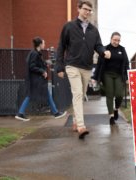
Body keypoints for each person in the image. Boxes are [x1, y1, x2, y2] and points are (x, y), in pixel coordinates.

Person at [56, 0, 109, 139]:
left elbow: (98, 45)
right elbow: (61, 47)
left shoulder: (93, 30)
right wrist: (59, 67)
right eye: (85, 9)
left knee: (81, 95)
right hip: (72, 65)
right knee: (78, 94)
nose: (87, 12)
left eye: (90, 10)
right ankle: (80, 125)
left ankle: (74, 121)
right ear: (78, 9)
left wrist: (104, 52)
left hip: (86, 67)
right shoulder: (69, 27)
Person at [15, 37, 67, 121]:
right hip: (36, 80)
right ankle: (56, 113)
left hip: (35, 80)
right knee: (42, 94)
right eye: (43, 43)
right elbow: (32, 66)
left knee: (32, 95)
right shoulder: (35, 54)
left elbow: (36, 64)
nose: (44, 45)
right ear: (40, 44)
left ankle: (20, 113)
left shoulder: (36, 53)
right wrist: (42, 71)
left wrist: (46, 63)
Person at [92, 32, 129, 125]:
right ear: (111, 39)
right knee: (110, 95)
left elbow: (126, 64)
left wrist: (127, 77)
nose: (116, 42)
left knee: (119, 94)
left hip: (119, 75)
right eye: (114, 40)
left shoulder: (122, 49)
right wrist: (95, 77)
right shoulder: (105, 49)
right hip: (107, 74)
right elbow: (99, 64)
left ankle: (116, 109)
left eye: (118, 40)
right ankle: (111, 116)